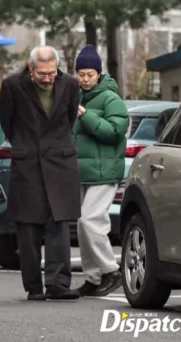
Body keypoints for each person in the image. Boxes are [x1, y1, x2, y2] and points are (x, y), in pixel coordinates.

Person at [0, 46, 81, 301]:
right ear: (31, 68)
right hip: (28, 161)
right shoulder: (12, 86)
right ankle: (34, 286)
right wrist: (26, 145)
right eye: (42, 73)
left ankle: (58, 284)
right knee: (28, 225)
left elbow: (69, 120)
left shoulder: (70, 85)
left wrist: (53, 145)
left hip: (59, 161)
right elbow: (7, 122)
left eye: (52, 73)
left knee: (59, 223)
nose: (47, 78)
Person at [72, 44, 129, 297]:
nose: (85, 79)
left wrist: (85, 116)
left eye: (90, 75)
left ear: (99, 73)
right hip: (82, 171)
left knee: (90, 220)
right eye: (81, 74)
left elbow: (115, 132)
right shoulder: (75, 96)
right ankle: (92, 278)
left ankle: (110, 270)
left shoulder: (111, 98)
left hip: (105, 170)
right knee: (82, 225)